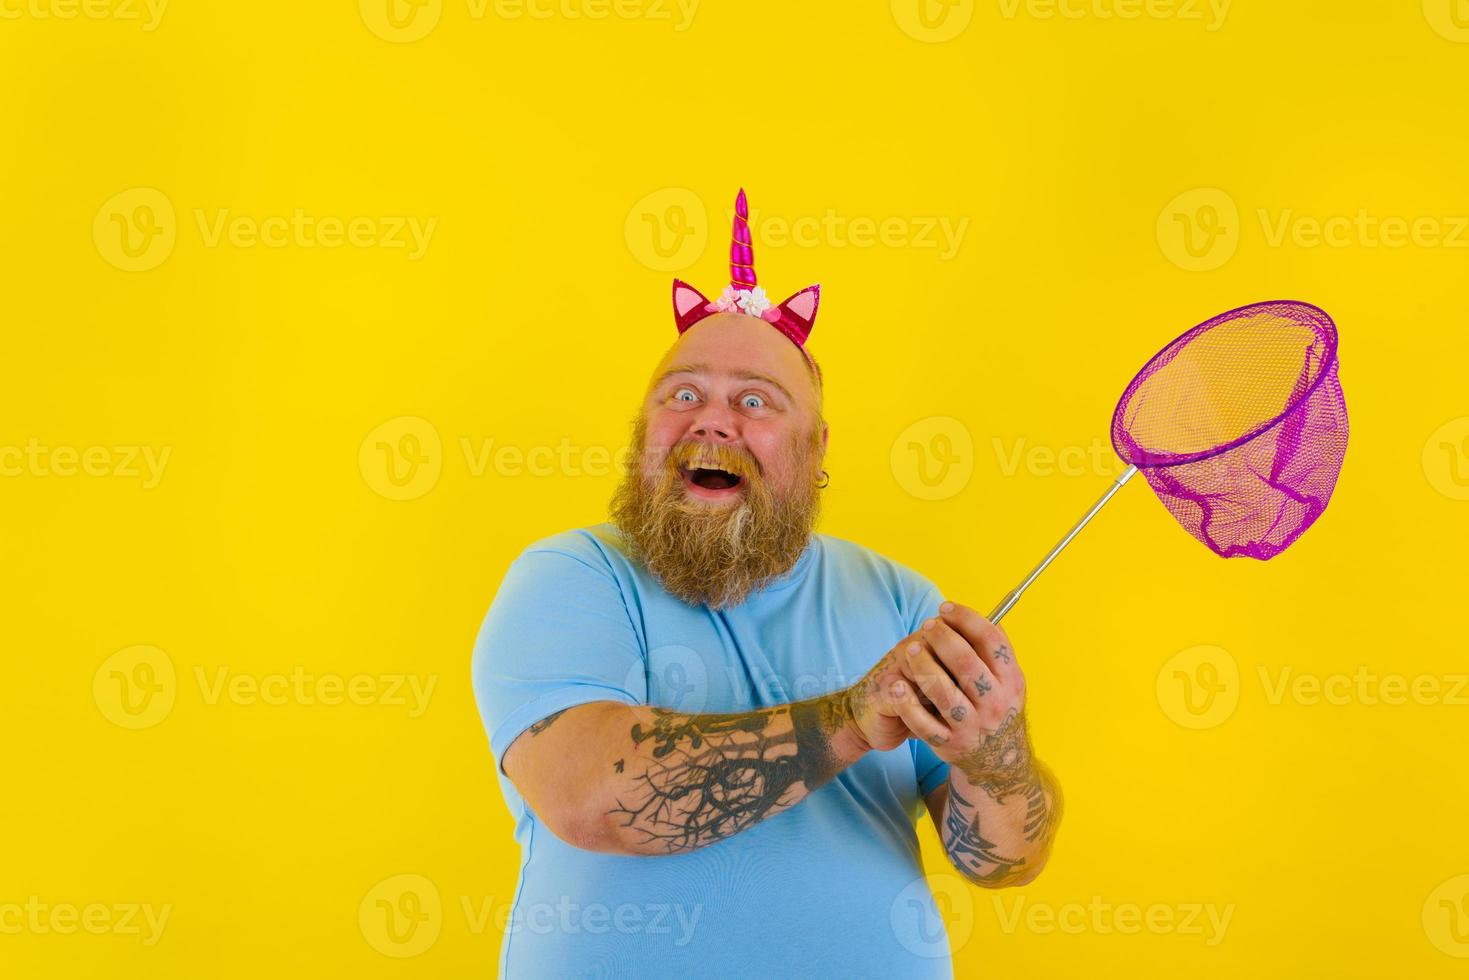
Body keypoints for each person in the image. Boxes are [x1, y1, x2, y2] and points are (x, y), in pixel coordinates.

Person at [471, 190, 1061, 978]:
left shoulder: (899, 601)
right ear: (643, 433)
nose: (712, 421)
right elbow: (589, 795)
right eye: (683, 394)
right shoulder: (571, 577)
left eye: (754, 401)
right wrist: (854, 717)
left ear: (816, 451)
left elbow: (998, 863)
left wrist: (996, 758)